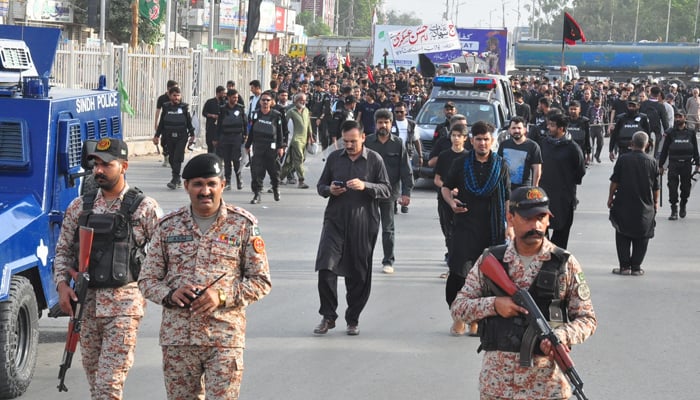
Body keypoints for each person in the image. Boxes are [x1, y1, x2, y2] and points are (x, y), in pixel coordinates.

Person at [139, 153, 271, 400]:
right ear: (186, 185)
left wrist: (221, 296)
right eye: (198, 184)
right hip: (178, 340)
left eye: (211, 183)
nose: (205, 191)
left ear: (223, 184)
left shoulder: (243, 224)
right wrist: (170, 294)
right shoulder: (168, 226)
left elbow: (260, 281)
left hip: (224, 339)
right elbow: (147, 280)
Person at [451, 185, 597, 400]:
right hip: (498, 386)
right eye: (528, 218)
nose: (536, 225)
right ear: (511, 218)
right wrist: (494, 305)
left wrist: (562, 335)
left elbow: (587, 318)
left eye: (541, 218)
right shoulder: (492, 261)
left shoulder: (564, 264)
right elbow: (459, 308)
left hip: (547, 387)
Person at [54, 138, 161, 399]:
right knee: (94, 379)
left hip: (124, 307)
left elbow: (163, 254)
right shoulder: (80, 207)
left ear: (124, 166)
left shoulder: (145, 208)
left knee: (108, 385)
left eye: (106, 165)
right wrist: (62, 287)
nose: (98, 170)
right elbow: (63, 251)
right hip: (86, 306)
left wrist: (152, 287)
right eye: (96, 164)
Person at [312, 120, 391, 336]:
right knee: (326, 267)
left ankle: (353, 318)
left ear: (363, 138)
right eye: (345, 141)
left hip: (363, 223)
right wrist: (330, 190)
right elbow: (321, 186)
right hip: (335, 221)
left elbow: (386, 190)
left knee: (358, 274)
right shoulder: (334, 158)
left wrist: (366, 186)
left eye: (353, 141)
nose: (348, 145)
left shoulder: (375, 160)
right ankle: (328, 316)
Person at [440, 121, 510, 336]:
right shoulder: (461, 163)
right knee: (458, 276)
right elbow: (445, 187)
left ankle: (477, 320)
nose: (482, 143)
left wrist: (509, 226)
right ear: (472, 141)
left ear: (492, 141)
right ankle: (459, 316)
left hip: (491, 229)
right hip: (464, 226)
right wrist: (452, 203)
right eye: (478, 139)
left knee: (487, 278)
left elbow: (507, 197)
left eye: (486, 139)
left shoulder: (500, 165)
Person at [364, 108, 414, 274]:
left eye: (386, 122)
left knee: (388, 229)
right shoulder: (368, 142)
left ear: (391, 124)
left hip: (389, 193)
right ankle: (365, 260)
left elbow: (406, 169)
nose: (383, 125)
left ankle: (388, 261)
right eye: (380, 122)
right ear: (375, 124)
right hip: (369, 192)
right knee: (367, 228)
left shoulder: (398, 143)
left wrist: (406, 193)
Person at [608, 132, 659, 276]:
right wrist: (655, 203)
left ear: (632, 143)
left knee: (622, 232)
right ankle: (636, 267)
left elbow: (615, 181)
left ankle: (624, 267)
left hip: (623, 203)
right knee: (643, 234)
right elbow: (656, 187)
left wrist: (610, 197)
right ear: (647, 144)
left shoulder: (623, 159)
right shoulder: (652, 161)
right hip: (645, 205)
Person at [539, 112, 586, 249]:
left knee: (561, 232)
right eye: (548, 124)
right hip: (543, 194)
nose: (548, 127)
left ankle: (556, 263)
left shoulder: (573, 148)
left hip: (564, 196)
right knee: (541, 231)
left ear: (562, 129)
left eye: (552, 125)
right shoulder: (544, 144)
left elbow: (580, 171)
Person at [433, 124, 469, 275]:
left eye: (459, 136)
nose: (456, 138)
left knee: (460, 234)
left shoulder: (468, 156)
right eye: (453, 135)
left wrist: (458, 190)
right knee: (448, 233)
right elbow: (437, 179)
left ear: (465, 138)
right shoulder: (444, 156)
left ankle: (457, 267)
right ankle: (452, 264)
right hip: (444, 201)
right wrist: (448, 188)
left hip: (461, 201)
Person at [245, 91, 286, 204]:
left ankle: (276, 188)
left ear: (271, 102)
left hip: (271, 147)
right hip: (258, 146)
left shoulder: (276, 115)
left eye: (268, 100)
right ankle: (257, 194)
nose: (265, 102)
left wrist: (280, 146)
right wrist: (248, 145)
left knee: (274, 171)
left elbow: (280, 132)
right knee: (257, 171)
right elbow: (251, 131)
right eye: (263, 100)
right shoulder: (255, 114)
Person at [658, 111, 700, 220]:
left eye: (680, 117)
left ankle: (683, 204)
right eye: (676, 117)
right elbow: (664, 150)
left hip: (686, 164)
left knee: (686, 188)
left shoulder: (691, 133)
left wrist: (698, 163)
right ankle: (674, 210)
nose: (677, 119)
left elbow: (695, 149)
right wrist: (661, 165)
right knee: (672, 187)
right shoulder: (670, 133)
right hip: (673, 164)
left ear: (684, 118)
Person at [154, 86, 196, 190]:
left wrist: (192, 135)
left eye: (178, 95)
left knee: (177, 157)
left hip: (181, 136)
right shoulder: (166, 107)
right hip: (169, 135)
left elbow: (189, 122)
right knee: (172, 158)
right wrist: (156, 136)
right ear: (170, 96)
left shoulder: (184, 108)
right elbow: (162, 123)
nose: (176, 98)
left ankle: (174, 179)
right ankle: (177, 178)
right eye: (174, 95)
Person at [215, 88, 248, 190]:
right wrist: (217, 138)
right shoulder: (223, 109)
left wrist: (245, 135)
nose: (236, 99)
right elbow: (219, 124)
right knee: (227, 159)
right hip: (225, 137)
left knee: (236, 159)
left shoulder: (240, 108)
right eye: (234, 97)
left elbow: (245, 123)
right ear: (228, 98)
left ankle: (239, 179)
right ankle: (228, 180)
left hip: (237, 136)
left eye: (237, 97)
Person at [498, 116, 542, 190]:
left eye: (519, 128)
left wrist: (535, 188)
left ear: (525, 130)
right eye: (513, 128)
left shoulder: (533, 146)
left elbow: (537, 169)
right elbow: (498, 165)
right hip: (505, 187)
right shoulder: (504, 144)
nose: (516, 131)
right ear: (509, 130)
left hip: (524, 189)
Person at [280, 93, 314, 189]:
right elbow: (284, 125)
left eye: (304, 100)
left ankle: (279, 177)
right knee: (299, 159)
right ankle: (301, 180)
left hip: (305, 140)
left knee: (290, 162)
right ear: (295, 101)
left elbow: (308, 124)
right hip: (295, 140)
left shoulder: (306, 110)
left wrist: (311, 136)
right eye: (301, 100)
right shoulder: (291, 111)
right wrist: (284, 138)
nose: (303, 102)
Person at [610, 95, 651, 161]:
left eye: (633, 106)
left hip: (639, 151)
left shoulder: (643, 118)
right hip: (623, 149)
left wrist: (648, 148)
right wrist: (611, 150)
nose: (631, 108)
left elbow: (648, 134)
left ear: (638, 106)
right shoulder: (621, 118)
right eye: (630, 106)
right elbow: (614, 135)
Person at [154, 80, 178, 167]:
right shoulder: (162, 98)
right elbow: (158, 111)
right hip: (164, 123)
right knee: (164, 141)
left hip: (175, 123)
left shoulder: (177, 97)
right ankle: (166, 157)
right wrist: (156, 123)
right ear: (169, 88)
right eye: (174, 87)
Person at [202, 85, 226, 153]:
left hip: (221, 128)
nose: (224, 95)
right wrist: (212, 115)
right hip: (211, 127)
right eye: (223, 93)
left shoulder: (224, 103)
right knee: (210, 146)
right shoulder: (210, 102)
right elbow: (204, 113)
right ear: (218, 93)